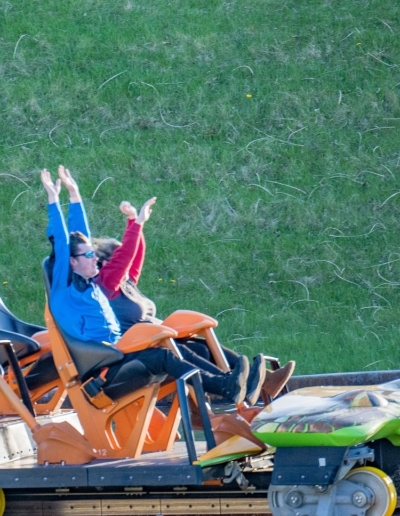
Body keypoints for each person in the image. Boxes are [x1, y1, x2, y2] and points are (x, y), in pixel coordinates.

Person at [41, 168, 248, 403]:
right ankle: (223, 386)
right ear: (72, 262)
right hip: (102, 370)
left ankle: (228, 380)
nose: (94, 257)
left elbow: (81, 233)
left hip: (118, 353)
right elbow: (61, 240)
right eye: (88, 254)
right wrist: (53, 199)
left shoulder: (91, 285)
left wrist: (75, 194)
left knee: (173, 350)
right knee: (163, 357)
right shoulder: (64, 290)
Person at [93, 200, 295, 404]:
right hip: (142, 349)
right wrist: (136, 223)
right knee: (186, 351)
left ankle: (263, 381)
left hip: (157, 339)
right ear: (108, 263)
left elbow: (134, 256)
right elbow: (126, 256)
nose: (127, 264)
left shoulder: (127, 283)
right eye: (120, 260)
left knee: (202, 347)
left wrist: (133, 221)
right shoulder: (107, 284)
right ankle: (227, 386)